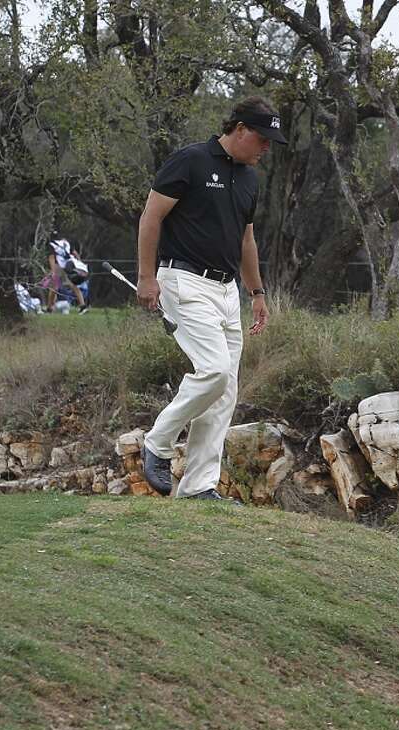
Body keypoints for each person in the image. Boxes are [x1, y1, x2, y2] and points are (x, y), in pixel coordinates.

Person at [135, 96, 285, 499]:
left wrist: (257, 291)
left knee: (225, 390)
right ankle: (158, 442)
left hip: (227, 290)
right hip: (183, 281)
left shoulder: (250, 179)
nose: (267, 147)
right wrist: (146, 278)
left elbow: (246, 239)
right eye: (263, 138)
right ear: (240, 130)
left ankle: (199, 487)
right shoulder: (191, 160)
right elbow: (151, 216)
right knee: (215, 371)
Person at [44, 238, 89, 312]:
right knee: (73, 286)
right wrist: (80, 264)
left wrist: (53, 272)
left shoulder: (51, 245)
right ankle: (83, 305)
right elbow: (75, 253)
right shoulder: (66, 243)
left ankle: (49, 308)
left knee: (54, 288)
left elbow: (51, 258)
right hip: (70, 265)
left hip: (59, 267)